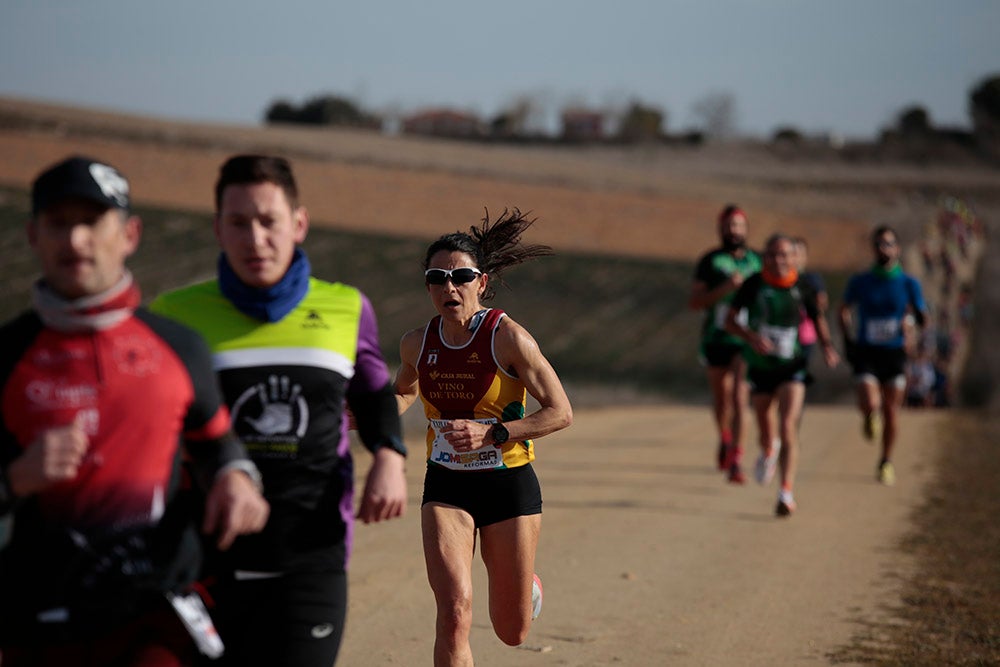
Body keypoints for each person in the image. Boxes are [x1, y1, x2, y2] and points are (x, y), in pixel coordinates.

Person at [0, 155, 270, 666]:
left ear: (129, 234)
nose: (76, 240)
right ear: (34, 235)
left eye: (92, 222)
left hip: (153, 610)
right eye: (59, 224)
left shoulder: (178, 346)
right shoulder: (8, 356)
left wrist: (236, 477)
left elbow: (216, 444)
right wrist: (14, 478)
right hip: (38, 618)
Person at [150, 154, 408, 666]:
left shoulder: (346, 308)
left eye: (268, 221)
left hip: (311, 551)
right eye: (239, 223)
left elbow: (373, 392)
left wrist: (390, 456)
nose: (255, 238)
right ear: (218, 228)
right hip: (204, 558)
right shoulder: (173, 316)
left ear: (299, 224)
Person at [393, 208, 573, 666]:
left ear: (482, 282)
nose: (448, 287)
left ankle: (525, 582)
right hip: (446, 484)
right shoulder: (417, 343)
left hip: (508, 483)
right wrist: (364, 415)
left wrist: (493, 433)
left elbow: (560, 412)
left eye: (461, 276)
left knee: (511, 631)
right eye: (437, 277)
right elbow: (403, 393)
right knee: (454, 610)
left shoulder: (509, 338)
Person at [725, 234, 839, 517]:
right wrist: (751, 337)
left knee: (788, 424)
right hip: (762, 366)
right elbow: (730, 320)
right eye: (773, 255)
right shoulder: (754, 284)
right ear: (765, 258)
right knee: (766, 423)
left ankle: (785, 492)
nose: (779, 260)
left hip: (792, 365)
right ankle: (768, 449)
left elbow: (817, 318)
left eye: (784, 255)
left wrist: (827, 346)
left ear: (794, 258)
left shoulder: (803, 286)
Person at [838, 225, 928, 486]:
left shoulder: (909, 283)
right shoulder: (861, 281)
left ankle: (885, 461)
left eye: (888, 244)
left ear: (897, 249)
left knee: (892, 410)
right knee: (869, 400)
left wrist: (910, 324)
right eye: (879, 244)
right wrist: (847, 337)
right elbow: (844, 309)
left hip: (895, 352)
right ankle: (868, 414)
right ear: (873, 248)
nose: (883, 248)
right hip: (867, 350)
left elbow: (921, 315)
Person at [688, 204, 762, 484]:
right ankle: (725, 437)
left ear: (746, 229)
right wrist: (725, 289)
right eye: (729, 225)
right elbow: (695, 302)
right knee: (722, 397)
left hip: (746, 338)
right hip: (717, 337)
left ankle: (736, 458)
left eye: (739, 225)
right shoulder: (710, 261)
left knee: (739, 397)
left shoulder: (758, 261)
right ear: (721, 229)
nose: (734, 231)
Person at [791, 236, 830, 370]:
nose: (796, 258)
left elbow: (822, 305)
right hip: (786, 336)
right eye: (793, 253)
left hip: (805, 337)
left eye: (799, 254)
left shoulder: (811, 279)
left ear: (805, 257)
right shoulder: (780, 280)